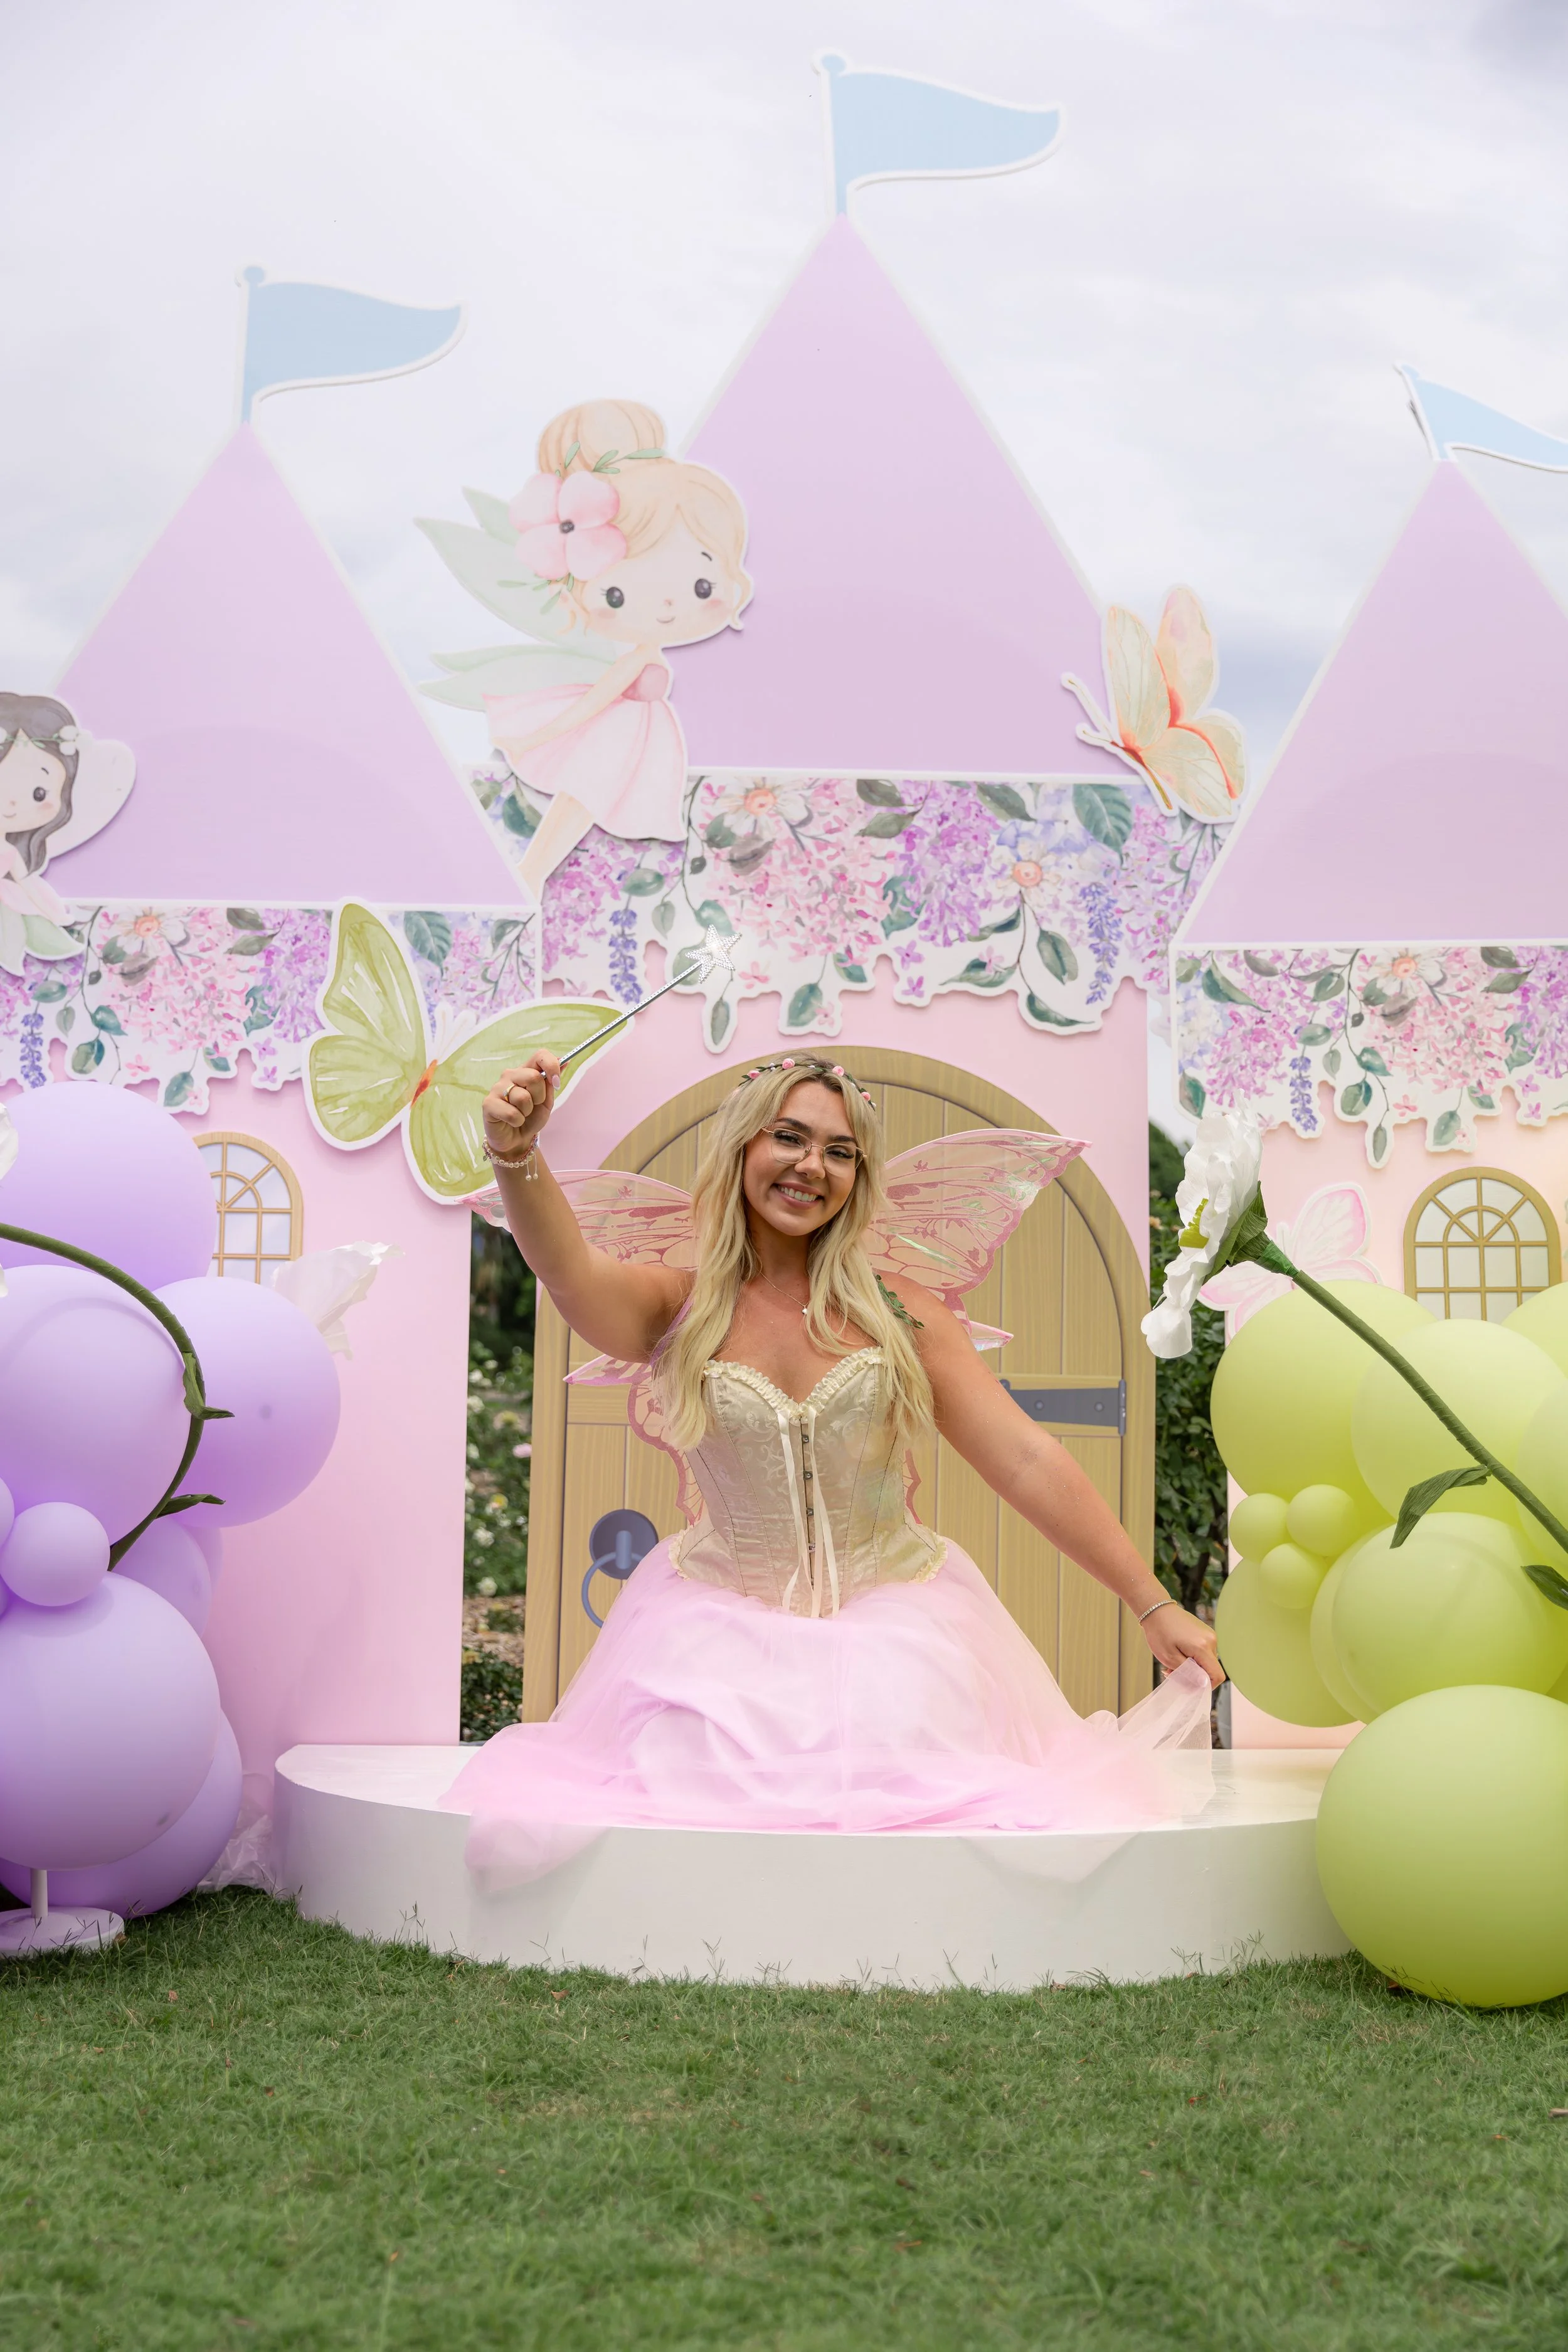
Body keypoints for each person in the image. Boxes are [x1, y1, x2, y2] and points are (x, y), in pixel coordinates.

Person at [444, 1053, 1222, 1887]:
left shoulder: (903, 1315)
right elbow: (568, 1269)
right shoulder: (676, 1306)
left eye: (840, 1150)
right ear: (742, 1149)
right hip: (713, 1648)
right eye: (789, 1137)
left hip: (903, 1645)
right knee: (696, 1835)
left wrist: (1151, 1600)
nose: (813, 1165)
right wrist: (517, 1153)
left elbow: (1026, 1458)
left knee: (916, 1834)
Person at [484, 399, 751, 904]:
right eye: (617, 595)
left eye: (700, 584)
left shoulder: (645, 650)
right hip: (612, 742)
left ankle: (532, 871)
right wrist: (542, 734)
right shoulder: (639, 657)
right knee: (577, 803)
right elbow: (596, 701)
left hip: (625, 745)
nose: (670, 607)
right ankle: (532, 871)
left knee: (578, 805)